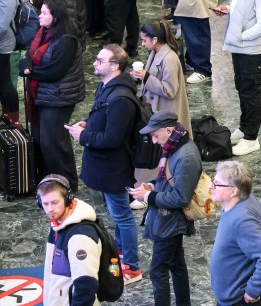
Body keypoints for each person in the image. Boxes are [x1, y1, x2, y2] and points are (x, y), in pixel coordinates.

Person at [65, 44, 142, 284]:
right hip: (106, 164)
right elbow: (101, 117)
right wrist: (88, 124)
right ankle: (121, 252)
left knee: (122, 216)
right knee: (118, 213)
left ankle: (132, 267)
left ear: (114, 66)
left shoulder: (120, 99)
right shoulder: (106, 87)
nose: (95, 63)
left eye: (100, 60)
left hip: (114, 166)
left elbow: (113, 138)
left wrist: (83, 137)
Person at [128, 110, 202, 306]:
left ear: (169, 130)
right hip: (167, 219)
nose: (153, 141)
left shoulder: (186, 157)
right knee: (177, 265)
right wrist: (151, 186)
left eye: (155, 135)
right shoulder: (174, 147)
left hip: (171, 222)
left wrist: (148, 196)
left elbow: (180, 197)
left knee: (158, 271)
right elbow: (167, 180)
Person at [20, 0, 85, 190]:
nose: (39, 16)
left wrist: (28, 71)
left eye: (44, 13)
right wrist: (26, 65)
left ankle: (67, 183)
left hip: (59, 97)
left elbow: (55, 71)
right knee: (41, 139)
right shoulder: (44, 32)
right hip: (43, 95)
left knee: (53, 141)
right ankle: (49, 179)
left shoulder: (66, 40)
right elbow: (30, 56)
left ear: (55, 17)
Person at [213, 0, 261, 156]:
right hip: (239, 47)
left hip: (251, 49)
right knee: (242, 87)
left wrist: (242, 36)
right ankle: (244, 127)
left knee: (251, 91)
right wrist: (228, 9)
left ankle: (251, 138)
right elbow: (242, 5)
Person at [208, 160, 261, 306]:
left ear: (233, 191)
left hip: (237, 300)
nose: (210, 186)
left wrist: (253, 290)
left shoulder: (242, 221)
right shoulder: (247, 199)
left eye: (216, 184)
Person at [39, 174, 104, 305]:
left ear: (68, 199)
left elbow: (86, 285)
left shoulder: (80, 237)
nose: (50, 209)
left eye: (55, 202)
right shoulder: (58, 223)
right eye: (45, 203)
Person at [133, 19, 191, 138]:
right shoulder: (156, 52)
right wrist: (140, 77)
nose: (142, 44)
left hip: (165, 111)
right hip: (158, 108)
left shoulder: (169, 59)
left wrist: (146, 77)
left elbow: (170, 90)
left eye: (144, 40)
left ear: (154, 39)